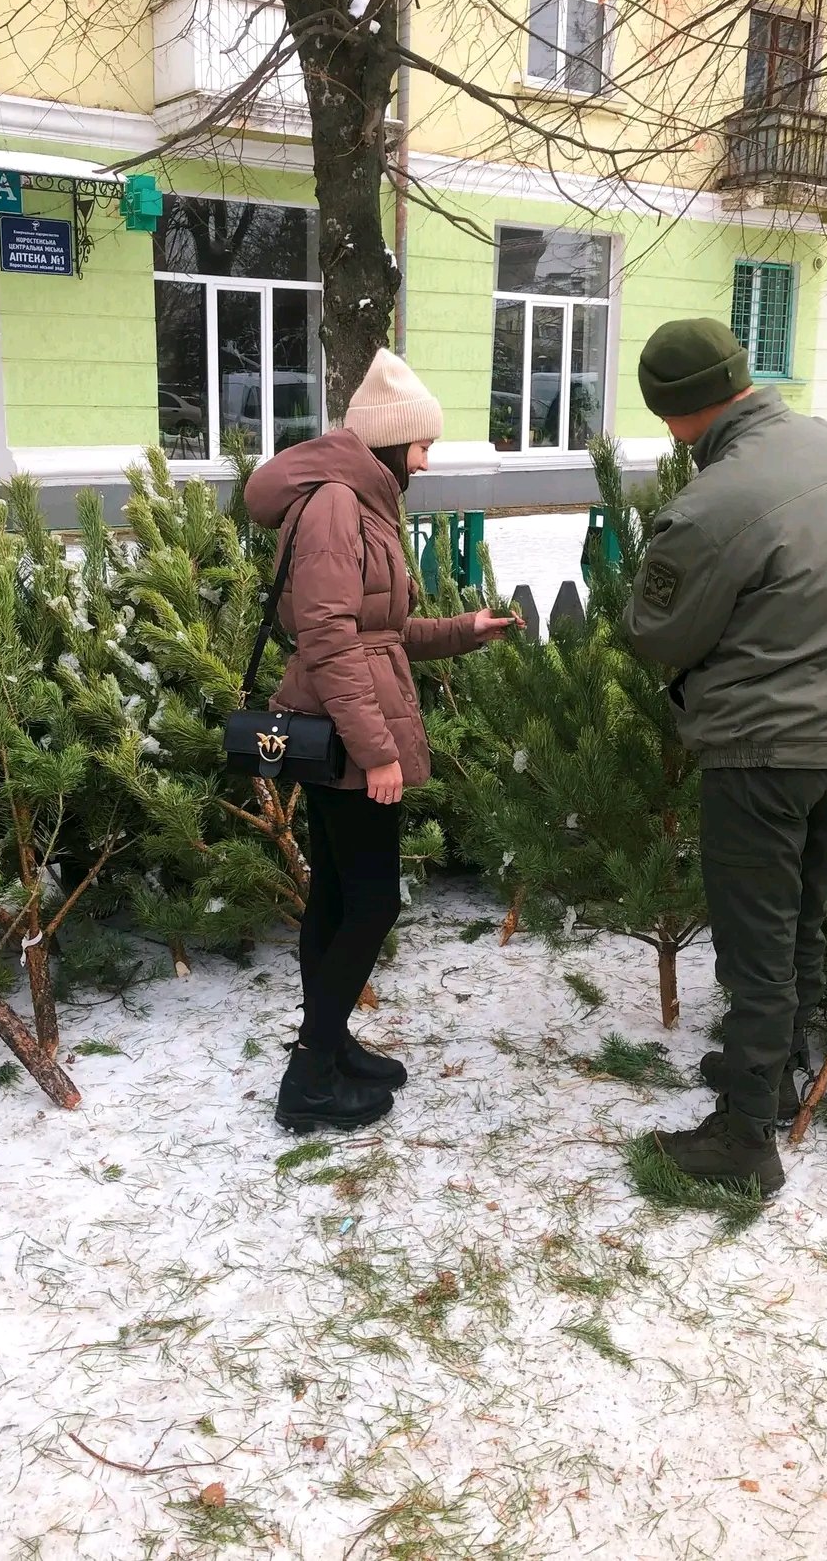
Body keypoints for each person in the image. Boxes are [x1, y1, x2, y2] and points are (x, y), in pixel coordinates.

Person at [624, 319, 827, 1195]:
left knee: (755, 945)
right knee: (802, 919)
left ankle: (745, 1138)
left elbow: (659, 633)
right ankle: (775, 1074)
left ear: (674, 414)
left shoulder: (716, 502)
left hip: (763, 748)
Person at [245, 349, 520, 1135]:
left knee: (337, 895)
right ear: (392, 440)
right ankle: (310, 1075)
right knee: (368, 902)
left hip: (344, 722)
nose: (427, 460)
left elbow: (381, 632)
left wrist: (467, 630)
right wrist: (378, 752)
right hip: (345, 733)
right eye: (423, 445)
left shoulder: (362, 499)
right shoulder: (338, 504)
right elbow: (331, 640)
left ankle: (328, 1050)